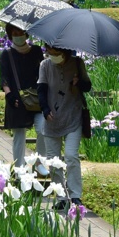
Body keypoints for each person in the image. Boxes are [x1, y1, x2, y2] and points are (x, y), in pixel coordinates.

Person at [36, 45, 91, 211]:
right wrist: (45, 110)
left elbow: (88, 86)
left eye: (55, 51)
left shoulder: (77, 63)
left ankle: (75, 196)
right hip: (52, 119)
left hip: (73, 117)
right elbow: (41, 90)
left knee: (71, 156)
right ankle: (61, 196)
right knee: (53, 161)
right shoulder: (45, 65)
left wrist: (78, 82)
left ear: (64, 50)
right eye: (48, 50)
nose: (51, 53)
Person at [0, 23, 44, 167]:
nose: (18, 36)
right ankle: (19, 168)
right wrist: (9, 95)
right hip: (17, 98)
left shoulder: (36, 51)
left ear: (26, 33)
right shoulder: (7, 54)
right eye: (15, 33)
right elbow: (4, 78)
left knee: (42, 129)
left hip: (36, 97)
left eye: (21, 33)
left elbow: (44, 73)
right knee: (19, 134)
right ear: (10, 35)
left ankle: (39, 164)